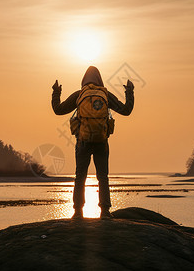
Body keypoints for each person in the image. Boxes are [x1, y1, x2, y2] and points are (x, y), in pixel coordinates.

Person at [51, 66, 134, 219]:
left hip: (83, 141)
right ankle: (105, 212)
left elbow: (58, 109)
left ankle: (77, 212)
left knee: (80, 176)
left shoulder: (79, 94)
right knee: (102, 176)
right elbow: (126, 110)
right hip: (101, 141)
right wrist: (129, 91)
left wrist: (56, 92)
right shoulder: (105, 95)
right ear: (99, 79)